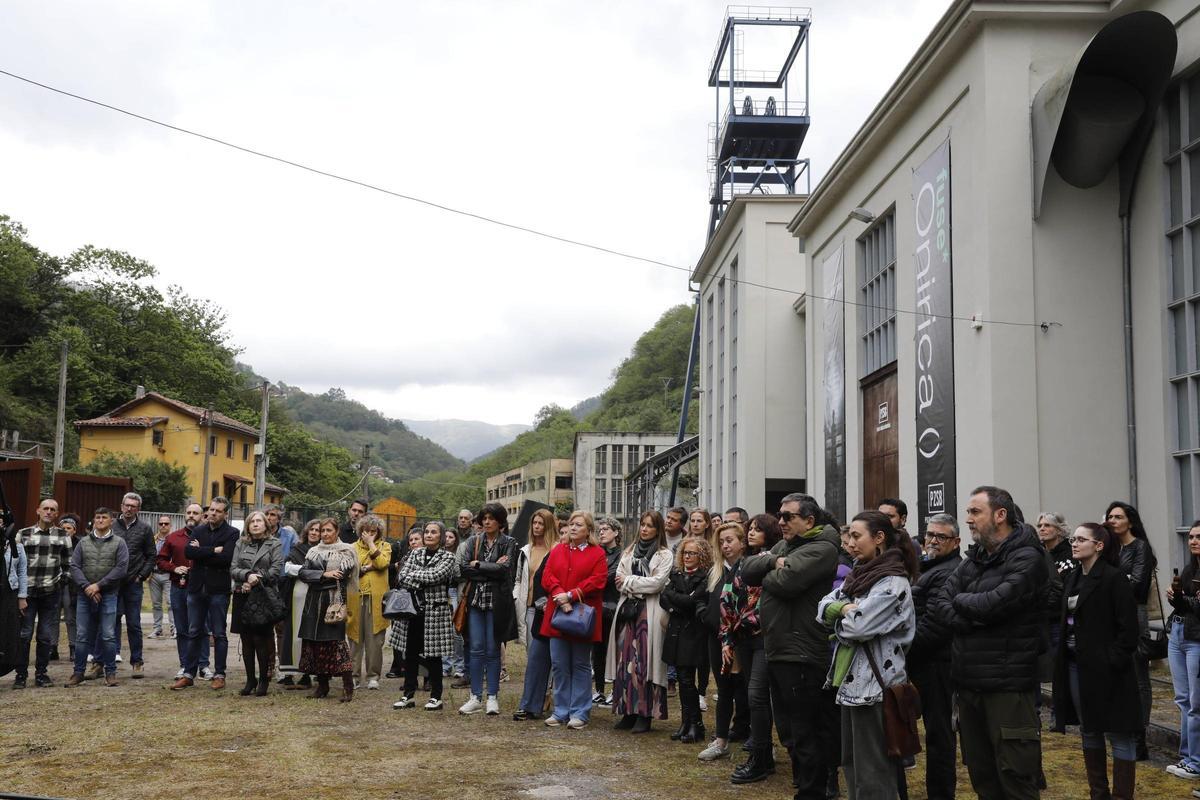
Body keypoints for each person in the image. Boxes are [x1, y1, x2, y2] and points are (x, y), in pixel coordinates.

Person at [932, 486, 1049, 800]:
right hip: (969, 685)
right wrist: (973, 614)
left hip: (1007, 687)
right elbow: (942, 604)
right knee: (982, 778)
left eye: (974, 512)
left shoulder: (1029, 558)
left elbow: (995, 604)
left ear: (1000, 515)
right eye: (968, 512)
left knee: (1016, 779)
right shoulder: (975, 559)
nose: (967, 519)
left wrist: (966, 605)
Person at [740, 493, 841, 799]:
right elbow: (746, 571)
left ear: (809, 521)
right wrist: (773, 561)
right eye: (780, 515)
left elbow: (787, 582)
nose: (780, 521)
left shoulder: (822, 548)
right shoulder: (786, 546)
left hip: (803, 652)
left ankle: (815, 790)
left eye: (788, 517)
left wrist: (766, 568)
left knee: (807, 728)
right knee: (790, 728)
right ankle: (808, 783)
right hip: (780, 648)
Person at [819, 511, 919, 800]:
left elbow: (857, 627)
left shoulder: (892, 583)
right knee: (852, 766)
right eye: (848, 535)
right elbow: (823, 607)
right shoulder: (858, 575)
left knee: (873, 772)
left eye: (856, 536)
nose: (850, 542)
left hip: (876, 689)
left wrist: (844, 612)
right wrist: (844, 610)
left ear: (879, 539)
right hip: (853, 685)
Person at [1052, 522, 1140, 799]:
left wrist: (1110, 660)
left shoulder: (1114, 578)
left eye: (1081, 539)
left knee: (1119, 732)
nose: (1074, 543)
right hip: (1077, 667)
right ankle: (1098, 794)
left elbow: (1128, 631)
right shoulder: (1073, 577)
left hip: (1110, 671)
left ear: (1098, 546)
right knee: (1089, 729)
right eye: (1073, 539)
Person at [907, 512, 962, 800]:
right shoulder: (930, 567)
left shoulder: (951, 571)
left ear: (956, 541)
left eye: (941, 536)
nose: (933, 540)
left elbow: (936, 625)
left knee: (940, 736)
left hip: (938, 664)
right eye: (930, 534)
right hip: (923, 660)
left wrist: (904, 650)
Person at [541, 510, 608, 729]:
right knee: (559, 665)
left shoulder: (597, 553)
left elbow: (598, 581)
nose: (573, 528)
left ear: (589, 530)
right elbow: (547, 576)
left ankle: (580, 712)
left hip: (581, 617)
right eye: (571, 524)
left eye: (578, 525)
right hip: (559, 615)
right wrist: (561, 596)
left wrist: (572, 595)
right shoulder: (558, 549)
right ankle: (560, 711)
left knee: (580, 664)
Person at [607, 510, 673, 734]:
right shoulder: (628, 551)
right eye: (642, 525)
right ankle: (627, 711)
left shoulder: (665, 554)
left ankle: (645, 714)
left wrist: (630, 581)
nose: (644, 529)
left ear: (658, 530)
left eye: (650, 526)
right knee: (625, 661)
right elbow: (617, 581)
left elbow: (657, 584)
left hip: (649, 612)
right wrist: (633, 582)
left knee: (645, 662)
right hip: (628, 613)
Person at [390, 520, 459, 711]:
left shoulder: (448, 557)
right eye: (427, 532)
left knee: (433, 656)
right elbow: (402, 576)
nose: (429, 535)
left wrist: (415, 575)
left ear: (441, 536)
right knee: (410, 653)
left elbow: (437, 576)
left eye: (433, 532)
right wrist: (419, 576)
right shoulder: (414, 553)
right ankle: (408, 695)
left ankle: (436, 697)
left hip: (435, 612)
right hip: (413, 611)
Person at [457, 502, 519, 716]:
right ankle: (475, 696)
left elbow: (505, 570)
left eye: (491, 518)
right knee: (475, 648)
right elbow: (463, 568)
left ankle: (492, 696)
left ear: (500, 521)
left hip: (497, 601)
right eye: (484, 518)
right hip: (475, 600)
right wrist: (485, 567)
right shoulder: (474, 541)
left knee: (493, 649)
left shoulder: (509, 542)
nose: (486, 522)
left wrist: (478, 565)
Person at [1107, 500, 1157, 761]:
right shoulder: (1110, 549)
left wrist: (1116, 581)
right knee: (1117, 673)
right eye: (1110, 517)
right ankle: (1121, 730)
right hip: (1111, 615)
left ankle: (1140, 736)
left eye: (1118, 517)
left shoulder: (1140, 547)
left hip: (1134, 615)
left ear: (1130, 521)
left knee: (1138, 676)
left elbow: (1137, 586)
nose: (1113, 521)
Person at [172, 497, 239, 691]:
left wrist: (202, 551)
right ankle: (188, 673)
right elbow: (188, 553)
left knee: (218, 633)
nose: (213, 513)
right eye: (211, 510)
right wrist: (212, 551)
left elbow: (226, 558)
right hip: (196, 587)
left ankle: (219, 674)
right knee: (194, 631)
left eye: (218, 511)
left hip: (218, 589)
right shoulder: (198, 530)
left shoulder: (232, 533)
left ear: (225, 514)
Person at [702, 521, 753, 764]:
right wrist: (706, 616)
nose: (725, 545)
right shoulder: (716, 571)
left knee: (746, 688)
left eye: (730, 540)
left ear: (742, 542)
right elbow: (703, 600)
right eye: (721, 541)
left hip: (743, 639)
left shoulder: (749, 569)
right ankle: (720, 739)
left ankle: (749, 734)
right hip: (716, 637)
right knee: (724, 689)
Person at [92, 492, 154, 680]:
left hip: (133, 583)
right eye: (127, 505)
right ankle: (98, 663)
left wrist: (141, 576)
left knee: (134, 624)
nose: (129, 509)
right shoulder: (111, 526)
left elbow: (151, 555)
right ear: (121, 506)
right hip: (111, 584)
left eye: (133, 506)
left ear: (138, 509)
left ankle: (137, 662)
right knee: (108, 623)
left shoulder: (144, 529)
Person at [297, 517, 358, 701]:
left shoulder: (346, 551)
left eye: (329, 530)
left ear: (337, 532)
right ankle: (322, 687)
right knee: (314, 644)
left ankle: (348, 687)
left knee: (335, 644)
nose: (324, 534)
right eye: (322, 531)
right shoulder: (313, 552)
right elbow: (302, 573)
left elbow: (341, 574)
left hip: (333, 603)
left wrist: (318, 579)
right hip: (313, 603)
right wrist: (323, 574)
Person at [66, 509, 128, 687]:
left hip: (109, 594)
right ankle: (78, 673)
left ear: (111, 521)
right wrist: (87, 587)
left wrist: (98, 586)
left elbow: (121, 568)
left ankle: (110, 673)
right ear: (93, 520)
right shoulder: (83, 542)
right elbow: (75, 566)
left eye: (104, 517)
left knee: (108, 635)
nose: (100, 520)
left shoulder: (119, 543)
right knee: (82, 635)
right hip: (85, 594)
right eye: (97, 517)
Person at [661, 535, 713, 743]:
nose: (688, 556)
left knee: (687, 680)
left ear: (702, 556)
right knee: (683, 679)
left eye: (692, 553)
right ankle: (686, 722)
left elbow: (694, 602)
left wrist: (679, 601)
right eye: (685, 552)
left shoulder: (705, 577)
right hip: (677, 631)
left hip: (694, 633)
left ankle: (696, 723)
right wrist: (679, 603)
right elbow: (665, 598)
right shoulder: (677, 573)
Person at [14, 498, 70, 689]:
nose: (48, 512)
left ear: (56, 513)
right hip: (27, 593)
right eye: (45, 508)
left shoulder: (63, 536)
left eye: (52, 509)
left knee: (45, 636)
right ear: (38, 510)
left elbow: (67, 565)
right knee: (24, 635)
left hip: (50, 593)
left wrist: (60, 585)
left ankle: (41, 674)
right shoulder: (23, 534)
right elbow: (16, 565)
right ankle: (20, 675)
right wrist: (19, 593)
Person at [229, 510, 284, 696]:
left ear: (266, 524)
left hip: (264, 596)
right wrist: (246, 576)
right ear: (247, 525)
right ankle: (250, 680)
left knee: (261, 639)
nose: (255, 524)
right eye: (252, 521)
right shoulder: (240, 542)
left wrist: (255, 579)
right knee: (246, 640)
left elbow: (276, 570)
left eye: (259, 521)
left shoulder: (275, 544)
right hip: (242, 594)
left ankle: (263, 680)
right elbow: (233, 568)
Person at [514, 527, 565, 721]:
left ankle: (564, 708)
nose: (568, 535)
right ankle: (529, 705)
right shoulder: (554, 554)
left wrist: (568, 598)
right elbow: (542, 579)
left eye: (574, 529)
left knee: (565, 665)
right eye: (565, 531)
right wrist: (544, 603)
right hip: (545, 616)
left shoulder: (590, 555)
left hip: (571, 617)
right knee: (536, 661)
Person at [157, 503, 209, 680]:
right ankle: (185, 665)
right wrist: (173, 568)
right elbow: (161, 560)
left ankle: (203, 666)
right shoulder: (173, 538)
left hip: (202, 587)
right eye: (189, 512)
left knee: (201, 627)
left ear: (202, 516)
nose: (191, 515)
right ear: (184, 515)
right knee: (182, 628)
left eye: (196, 513)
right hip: (179, 587)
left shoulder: (208, 536)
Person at [1167, 520, 1200, 783]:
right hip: (1178, 633)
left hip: (1196, 638)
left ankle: (1196, 761)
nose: (1193, 541)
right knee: (1182, 699)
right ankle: (1187, 756)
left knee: (1196, 703)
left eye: (1198, 536)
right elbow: (1185, 605)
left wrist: (1179, 598)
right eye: (1190, 536)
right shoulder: (1190, 569)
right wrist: (1175, 597)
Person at [349, 514, 391, 690]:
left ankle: (373, 676)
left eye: (373, 532)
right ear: (360, 531)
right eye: (366, 531)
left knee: (375, 640)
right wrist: (367, 567)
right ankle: (353, 676)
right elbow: (352, 569)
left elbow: (382, 563)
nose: (369, 534)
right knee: (354, 638)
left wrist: (372, 546)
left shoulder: (385, 546)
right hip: (356, 597)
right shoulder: (351, 547)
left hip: (376, 599)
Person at [280, 519, 322, 688]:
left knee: (310, 634)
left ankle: (307, 674)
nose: (314, 533)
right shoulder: (297, 549)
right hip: (296, 595)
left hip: (316, 595)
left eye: (318, 530)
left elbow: (324, 571)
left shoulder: (323, 551)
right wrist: (308, 571)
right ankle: (289, 673)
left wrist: (305, 571)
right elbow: (287, 568)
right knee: (293, 634)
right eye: (312, 529)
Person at [515, 508, 556, 648]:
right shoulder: (526, 550)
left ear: (548, 526)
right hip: (529, 605)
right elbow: (518, 579)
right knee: (531, 647)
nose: (536, 526)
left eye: (541, 523)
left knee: (549, 648)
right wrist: (516, 598)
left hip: (549, 605)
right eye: (534, 522)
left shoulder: (556, 550)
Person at [592, 516, 622, 704]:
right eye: (600, 529)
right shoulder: (596, 553)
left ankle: (616, 689)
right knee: (598, 650)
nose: (601, 532)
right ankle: (599, 689)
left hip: (614, 607)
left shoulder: (623, 555)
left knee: (616, 651)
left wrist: (595, 579)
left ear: (616, 533)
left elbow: (607, 577)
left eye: (606, 529)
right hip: (597, 607)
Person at [1, 516, 28, 679]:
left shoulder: (16, 547)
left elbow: (22, 573)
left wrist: (22, 597)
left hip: (9, 592)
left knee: (7, 631)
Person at [55, 514, 82, 662]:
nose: (65, 530)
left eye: (69, 528)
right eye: (63, 528)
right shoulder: (54, 542)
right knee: (53, 617)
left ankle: (73, 647)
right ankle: (52, 647)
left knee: (71, 617)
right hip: (55, 583)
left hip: (72, 585)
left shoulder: (80, 543)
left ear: (74, 530)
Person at [442, 526, 465, 680]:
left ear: (455, 539)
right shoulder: (439, 554)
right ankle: (445, 665)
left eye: (451, 537)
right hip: (441, 593)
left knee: (456, 630)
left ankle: (459, 665)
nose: (448, 539)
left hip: (454, 591)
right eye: (446, 536)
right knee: (443, 631)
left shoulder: (460, 553)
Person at [149, 515, 174, 639]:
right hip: (153, 575)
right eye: (161, 523)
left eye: (166, 523)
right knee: (156, 604)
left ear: (170, 525)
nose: (163, 526)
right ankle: (157, 629)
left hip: (169, 575)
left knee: (171, 603)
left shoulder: (174, 539)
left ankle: (174, 629)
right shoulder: (152, 540)